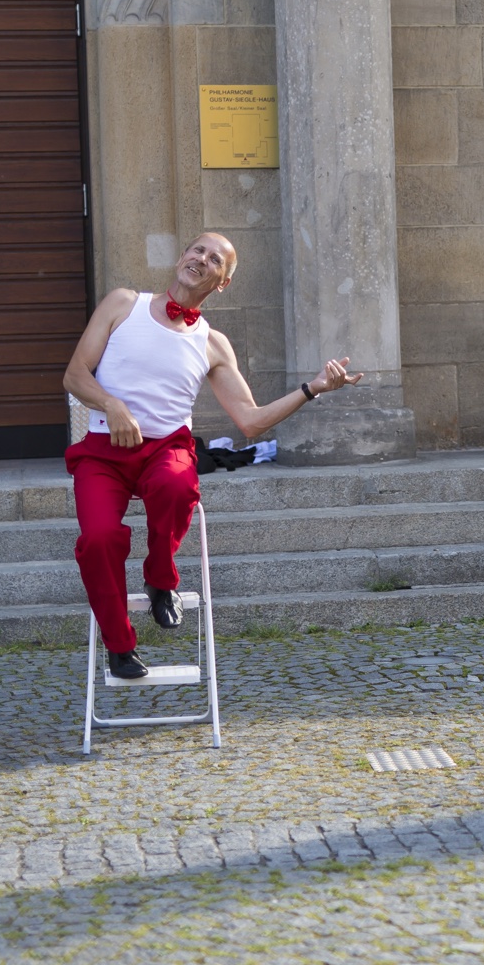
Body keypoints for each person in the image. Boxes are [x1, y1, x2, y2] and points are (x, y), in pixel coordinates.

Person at [63, 233, 360, 679]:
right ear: (183, 256)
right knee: (100, 539)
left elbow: (252, 422)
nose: (202, 259)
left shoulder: (212, 343)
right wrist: (111, 404)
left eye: (215, 259)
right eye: (198, 250)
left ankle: (161, 580)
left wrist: (312, 389)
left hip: (166, 448)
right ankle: (120, 645)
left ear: (222, 282)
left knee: (178, 484)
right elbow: (74, 374)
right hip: (104, 453)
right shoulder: (122, 303)